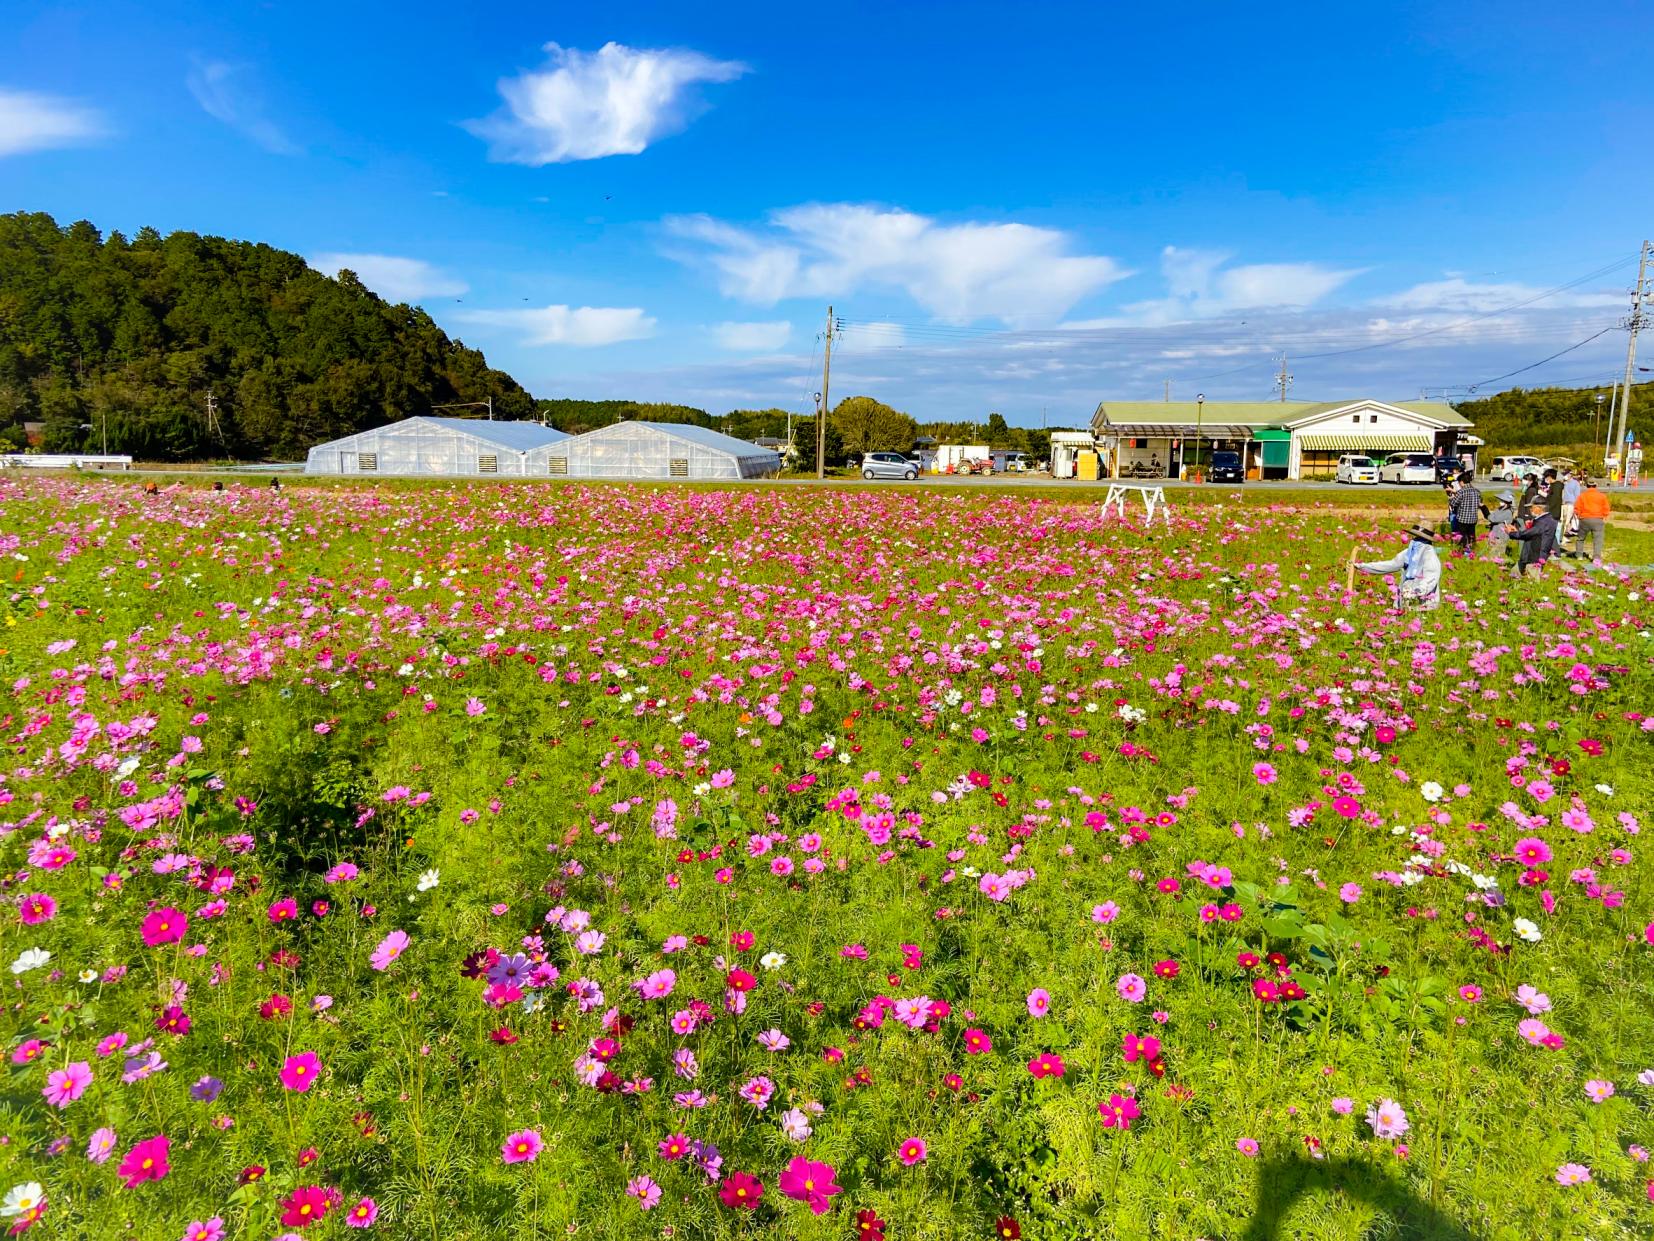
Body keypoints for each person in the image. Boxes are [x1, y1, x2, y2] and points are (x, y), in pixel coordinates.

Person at [1356, 522, 1442, 610]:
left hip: (1423, 605)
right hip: (1405, 602)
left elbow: (1430, 579)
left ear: (1427, 541)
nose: (1415, 541)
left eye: (1420, 539)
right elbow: (1391, 565)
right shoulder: (1410, 552)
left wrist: (1415, 592)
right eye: (1415, 537)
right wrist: (1362, 566)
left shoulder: (1430, 557)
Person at [1509, 500, 1558, 578]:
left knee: (1532, 578)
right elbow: (1532, 533)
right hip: (1535, 553)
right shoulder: (1548, 519)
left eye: (1531, 507)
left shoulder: (1543, 521)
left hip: (1535, 555)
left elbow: (1529, 534)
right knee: (1515, 573)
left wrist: (1512, 533)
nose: (1530, 510)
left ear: (1539, 508)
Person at [1572, 478, 1610, 564]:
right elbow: (1606, 508)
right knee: (1597, 540)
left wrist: (1579, 516)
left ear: (1587, 486)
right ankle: (1596, 557)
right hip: (1598, 519)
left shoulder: (1582, 496)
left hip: (1584, 519)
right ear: (1596, 486)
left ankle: (1579, 555)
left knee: (1581, 538)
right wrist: (1604, 516)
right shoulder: (1602, 496)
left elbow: (1577, 508)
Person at [1449, 470, 1483, 556]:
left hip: (1463, 519)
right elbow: (1480, 503)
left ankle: (1462, 552)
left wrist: (1451, 497)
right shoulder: (1477, 491)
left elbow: (1453, 503)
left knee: (1462, 537)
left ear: (1461, 482)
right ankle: (1472, 551)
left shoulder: (1461, 492)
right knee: (1471, 536)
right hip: (1473, 519)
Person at [1484, 489, 1516, 563]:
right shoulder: (1500, 509)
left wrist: (1489, 516)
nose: (1500, 501)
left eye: (1502, 500)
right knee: (1491, 554)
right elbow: (1492, 516)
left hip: (1500, 536)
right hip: (1495, 534)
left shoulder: (1508, 512)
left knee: (1497, 555)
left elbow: (1492, 518)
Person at [1560, 470, 1582, 540]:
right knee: (1563, 520)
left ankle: (1564, 537)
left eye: (1566, 474)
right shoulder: (1564, 483)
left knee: (1567, 520)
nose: (1564, 476)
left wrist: (1576, 505)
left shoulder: (1575, 483)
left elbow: (1577, 495)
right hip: (1563, 504)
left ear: (1570, 474)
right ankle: (1566, 534)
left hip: (1571, 504)